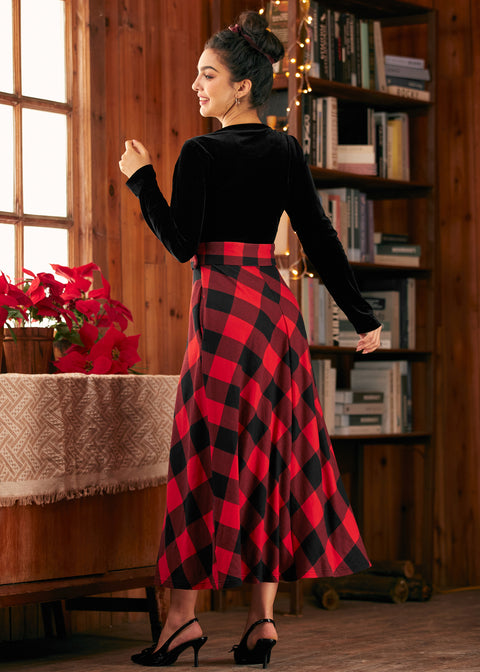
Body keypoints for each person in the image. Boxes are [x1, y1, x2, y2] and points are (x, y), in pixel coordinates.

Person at [119, 10, 382, 669]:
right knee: (269, 454)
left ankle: (181, 620)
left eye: (207, 75)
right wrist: (363, 317)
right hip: (275, 312)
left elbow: (184, 244)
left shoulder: (200, 153)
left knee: (203, 456)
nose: (196, 86)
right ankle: (261, 623)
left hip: (223, 311)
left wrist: (142, 179)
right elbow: (320, 237)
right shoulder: (286, 149)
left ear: (242, 86)